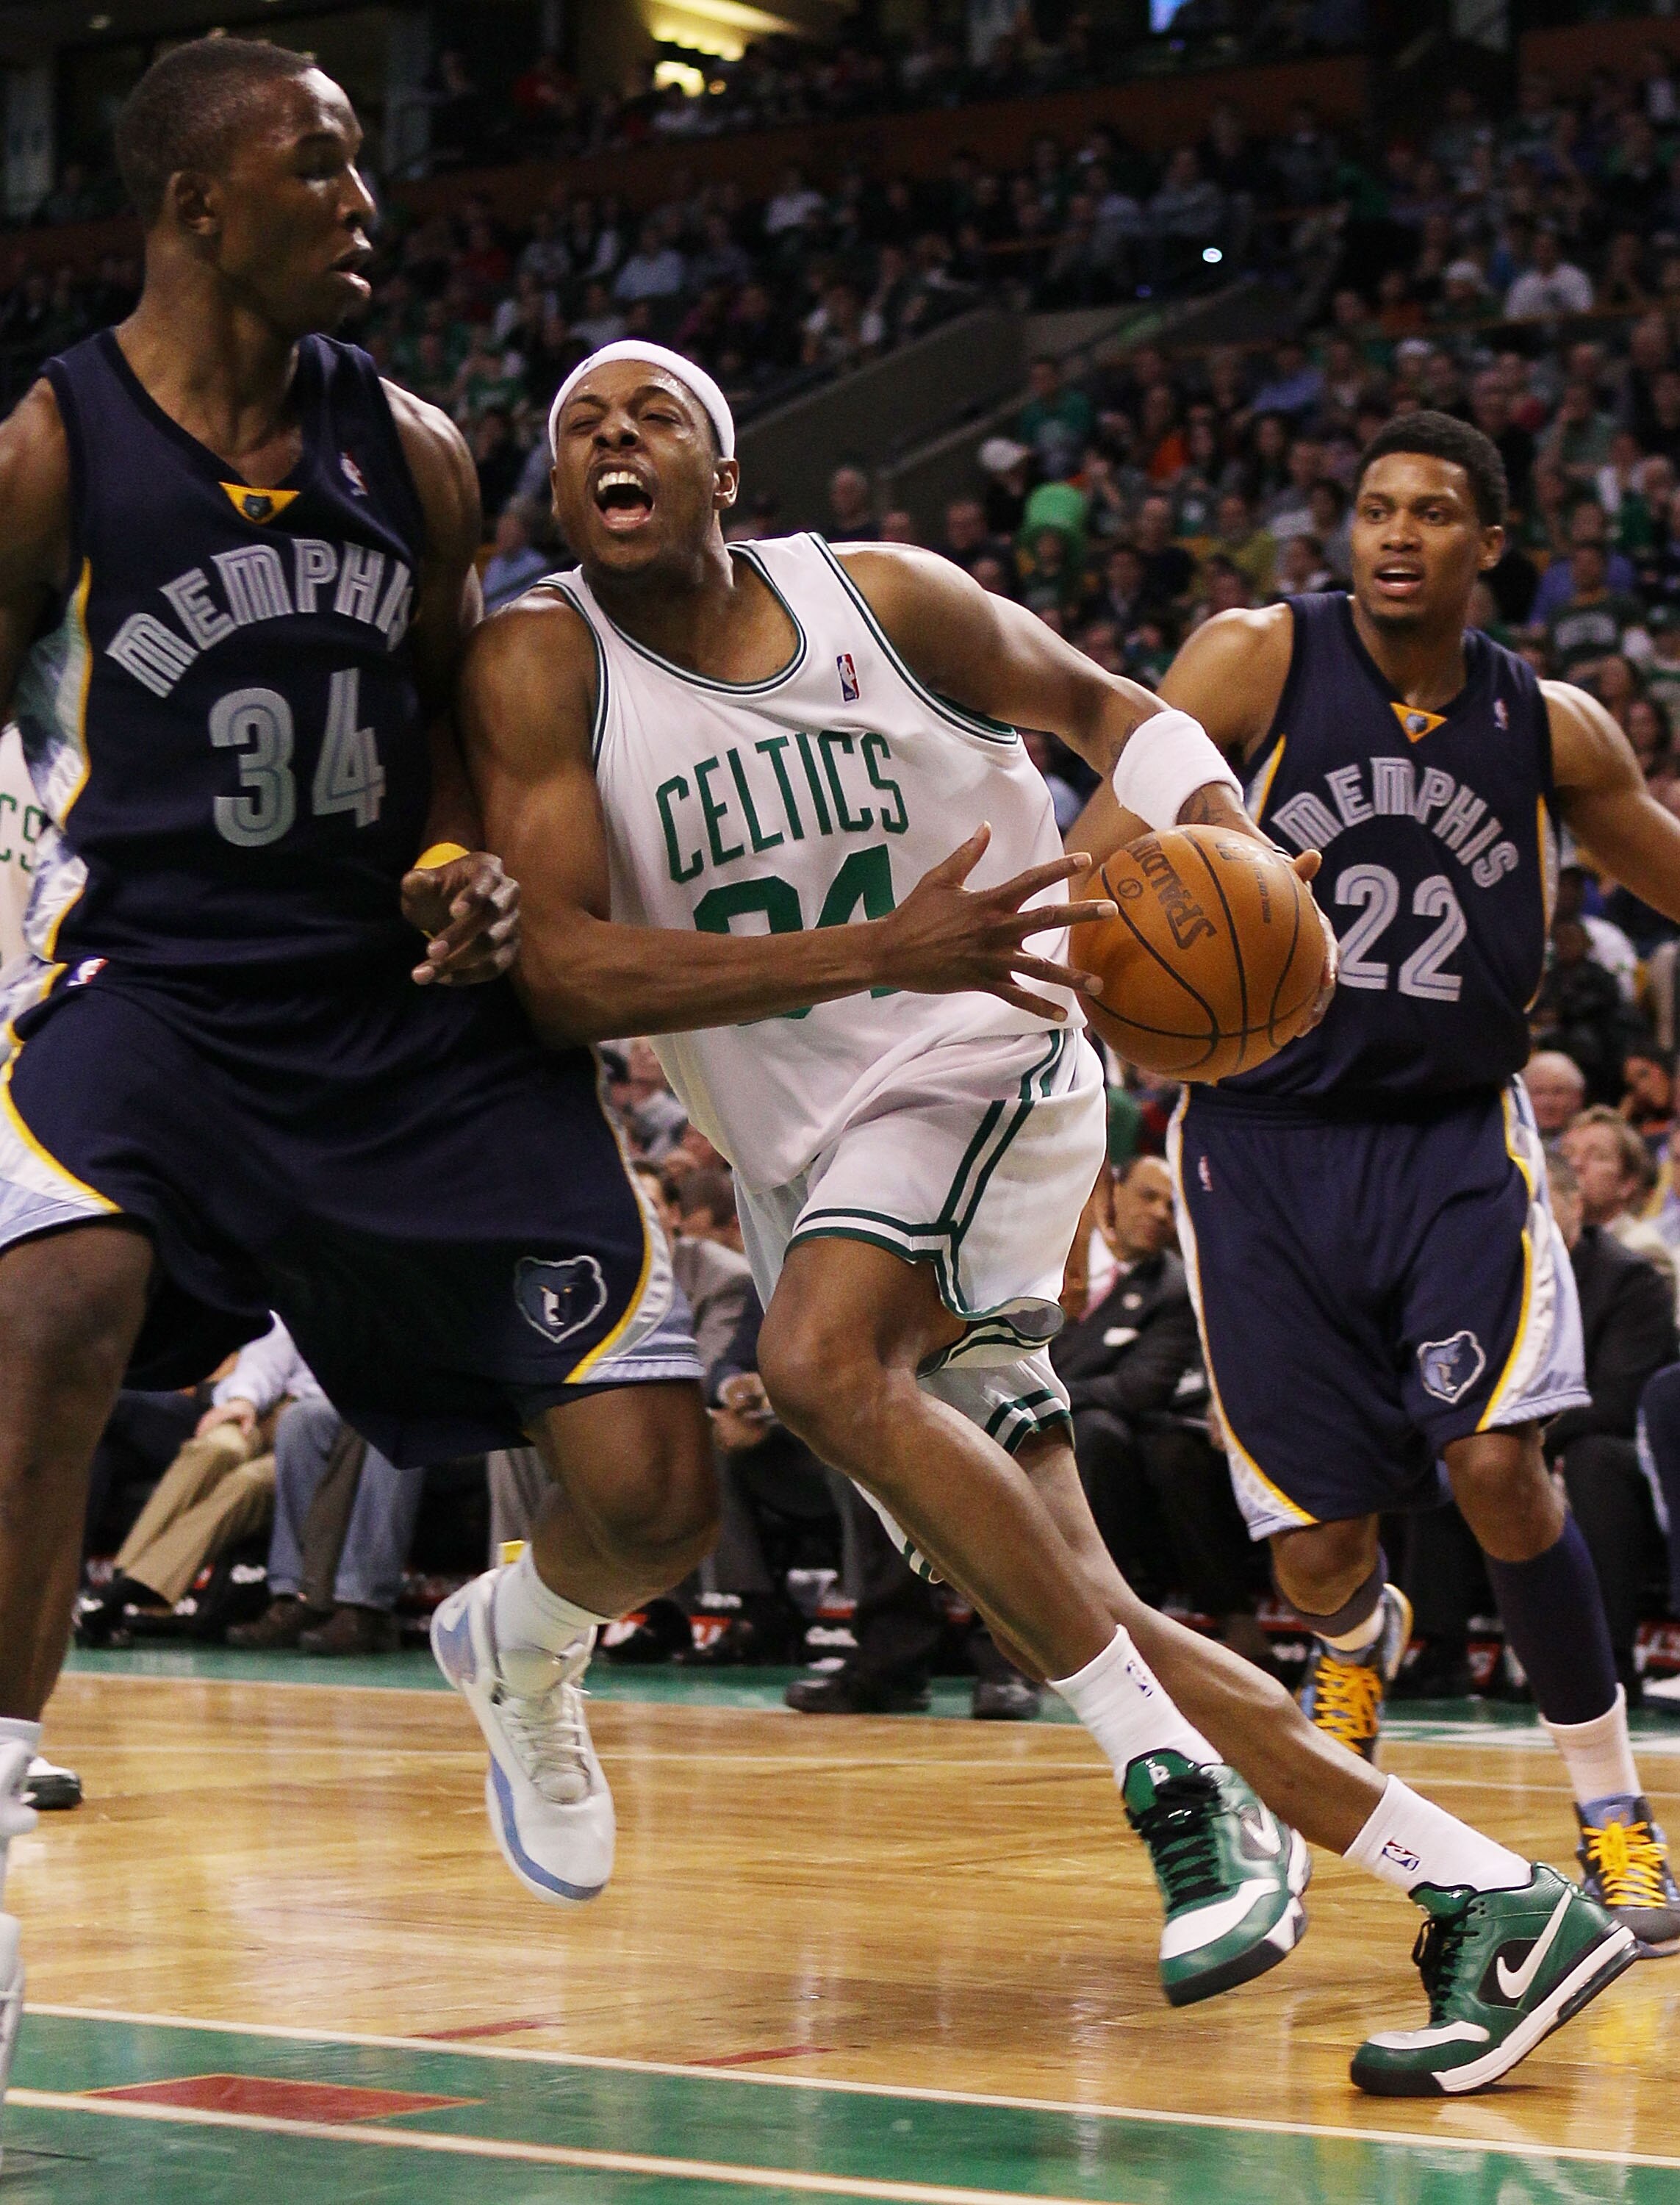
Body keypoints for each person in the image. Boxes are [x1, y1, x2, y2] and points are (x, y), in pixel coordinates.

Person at [441, 340, 1637, 2095]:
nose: (611, 437)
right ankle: (1483, 1893)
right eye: (577, 430)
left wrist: (1228, 831)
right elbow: (557, 972)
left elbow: (1113, 712)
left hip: (991, 1047)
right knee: (1060, 1590)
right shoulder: (542, 664)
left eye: (656, 418)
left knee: (814, 1355)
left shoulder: (886, 596)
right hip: (806, 1155)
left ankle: (1175, 1796)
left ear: (724, 477)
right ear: (561, 495)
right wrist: (866, 946)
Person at [0, 38, 714, 2140]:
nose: (364, 197)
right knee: (45, 1310)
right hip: (162, 1002)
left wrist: (453, 868)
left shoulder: (407, 450)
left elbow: (449, 747)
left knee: (656, 1499)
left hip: (392, 1021)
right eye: (318, 168)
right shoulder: (51, 452)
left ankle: (522, 1641)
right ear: (194, 208)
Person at [1080, 410, 1680, 1965]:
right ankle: (1360, 1637)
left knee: (1498, 1472)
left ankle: (1615, 1818)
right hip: (1257, 1146)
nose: (1395, 535)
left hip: (1445, 1137)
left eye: (1431, 513)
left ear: (1492, 544)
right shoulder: (1256, 662)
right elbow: (1105, 853)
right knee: (1317, 1553)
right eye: (1371, 508)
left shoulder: (1547, 726)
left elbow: (1662, 864)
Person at [1546, 1153, 1678, 1710]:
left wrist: (1530, 1441)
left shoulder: (1628, 1273)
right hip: (1543, 1435)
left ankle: (1609, 1666)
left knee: (1597, 1457)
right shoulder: (1487, 1272)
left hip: (1605, 1436)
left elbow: (1622, 1399)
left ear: (1575, 1204)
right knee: (1440, 1453)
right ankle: (1430, 1650)